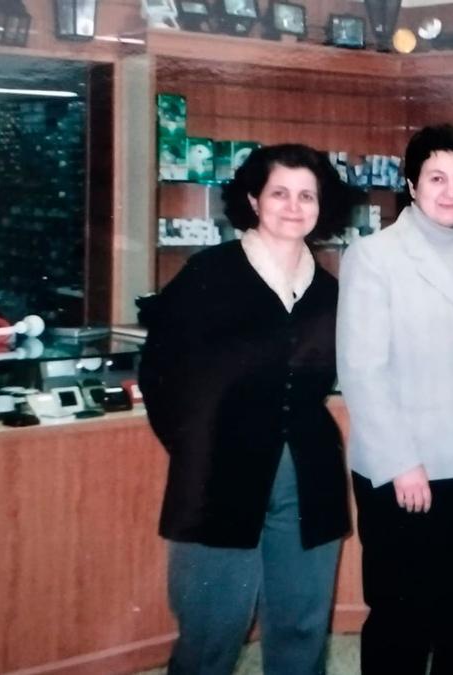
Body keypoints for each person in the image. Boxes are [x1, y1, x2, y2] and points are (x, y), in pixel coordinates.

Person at [139, 143, 356, 675]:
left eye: (307, 195)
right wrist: (197, 447)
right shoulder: (207, 274)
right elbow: (159, 375)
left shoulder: (330, 291)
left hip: (308, 476)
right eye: (280, 192)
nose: (293, 205)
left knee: (301, 627)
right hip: (217, 478)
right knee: (212, 630)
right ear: (254, 200)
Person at [336, 124, 453, 675]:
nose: (450, 190)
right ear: (411, 183)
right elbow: (362, 370)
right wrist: (401, 464)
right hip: (406, 473)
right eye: (436, 177)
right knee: (402, 619)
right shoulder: (373, 257)